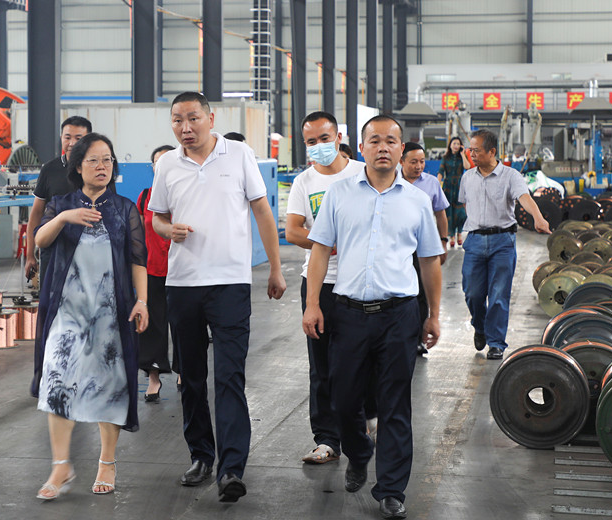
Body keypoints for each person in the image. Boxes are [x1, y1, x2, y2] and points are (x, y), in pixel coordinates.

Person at [149, 91, 286, 503]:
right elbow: (157, 217)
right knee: (190, 377)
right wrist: (167, 230)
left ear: (210, 119)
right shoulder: (167, 164)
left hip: (230, 284)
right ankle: (201, 456)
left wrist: (275, 268)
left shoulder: (239, 154)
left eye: (193, 118)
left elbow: (262, 211)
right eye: (177, 120)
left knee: (229, 376)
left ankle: (231, 468)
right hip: (182, 285)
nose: (185, 127)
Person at [303, 115, 443, 520]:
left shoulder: (417, 200)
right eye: (375, 140)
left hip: (399, 315)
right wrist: (312, 304)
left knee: (395, 403)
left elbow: (430, 261)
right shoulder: (339, 194)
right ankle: (360, 450)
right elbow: (319, 250)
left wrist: (433, 315)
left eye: (391, 141)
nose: (383, 147)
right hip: (348, 314)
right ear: (361, 147)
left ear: (401, 148)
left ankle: (391, 489)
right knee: (343, 399)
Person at [32, 133, 148, 500]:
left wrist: (142, 301)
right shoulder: (60, 204)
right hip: (66, 311)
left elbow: (138, 260)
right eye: (94, 160)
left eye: (107, 160)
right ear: (78, 167)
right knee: (57, 381)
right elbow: (40, 240)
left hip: (110, 312)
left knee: (109, 383)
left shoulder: (124, 209)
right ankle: (60, 465)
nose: (102, 167)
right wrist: (64, 217)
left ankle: (107, 461)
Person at [285, 111, 366, 465]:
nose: (318, 146)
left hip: (361, 283)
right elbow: (292, 230)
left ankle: (360, 425)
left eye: (324, 138)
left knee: (360, 362)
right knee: (321, 366)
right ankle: (327, 439)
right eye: (311, 142)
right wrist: (326, 244)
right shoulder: (304, 182)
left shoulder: (362, 173)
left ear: (338, 137)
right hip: (319, 283)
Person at [459, 129, 550, 360]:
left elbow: (525, 198)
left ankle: (496, 342)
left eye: (476, 150)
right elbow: (465, 204)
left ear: (492, 151)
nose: (472, 154)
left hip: (502, 241)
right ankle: (480, 327)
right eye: (470, 150)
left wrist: (538, 218)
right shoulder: (467, 177)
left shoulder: (511, 176)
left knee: (499, 294)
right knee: (472, 293)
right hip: (474, 241)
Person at [24, 116, 92, 285]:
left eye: (78, 138)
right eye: (67, 137)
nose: (72, 143)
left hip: (89, 253)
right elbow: (36, 213)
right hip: (53, 251)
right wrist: (30, 255)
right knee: (51, 298)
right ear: (61, 138)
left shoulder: (98, 169)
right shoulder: (49, 170)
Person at [400, 142, 449, 356]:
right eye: (413, 162)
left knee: (420, 292)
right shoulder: (391, 181)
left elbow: (441, 214)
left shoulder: (431, 183)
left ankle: (418, 338)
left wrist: (443, 241)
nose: (418, 166)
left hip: (423, 248)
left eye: (421, 162)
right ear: (401, 161)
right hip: (400, 247)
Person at [136, 144, 175, 402]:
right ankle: (153, 377)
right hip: (151, 270)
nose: (161, 167)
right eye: (156, 163)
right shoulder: (145, 197)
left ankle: (184, 370)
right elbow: (138, 236)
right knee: (151, 326)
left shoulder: (186, 194)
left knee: (184, 322)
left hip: (182, 270)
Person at [438, 136, 471, 247]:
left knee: (461, 212)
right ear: (450, 145)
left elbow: (467, 166)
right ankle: (452, 235)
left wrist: (462, 154)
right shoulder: (445, 158)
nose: (456, 146)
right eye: (454, 143)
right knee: (449, 212)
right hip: (447, 187)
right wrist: (437, 185)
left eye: (458, 144)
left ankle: (459, 233)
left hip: (459, 186)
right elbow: (441, 171)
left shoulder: (462, 157)